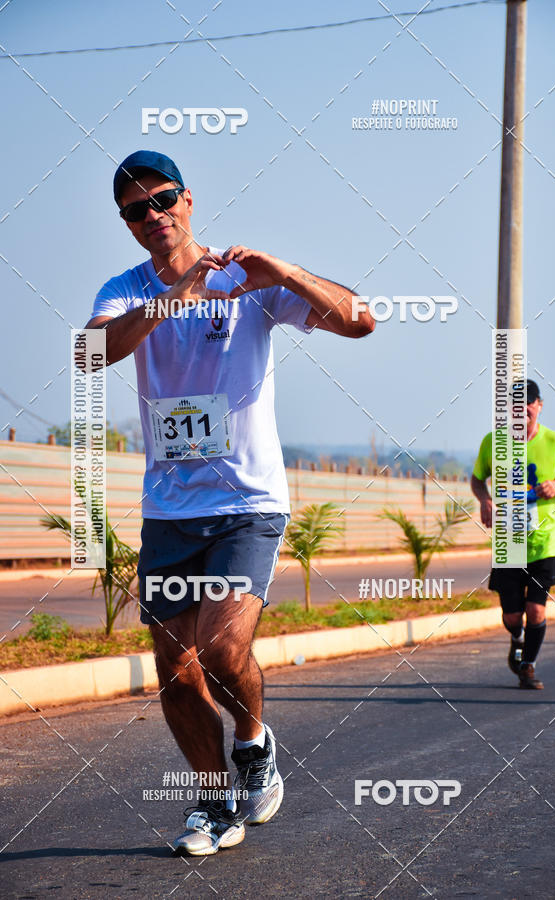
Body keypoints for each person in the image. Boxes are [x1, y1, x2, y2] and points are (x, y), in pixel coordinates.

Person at [85, 150, 375, 855]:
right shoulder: (125, 290)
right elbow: (90, 355)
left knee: (220, 649)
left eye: (163, 200)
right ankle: (214, 805)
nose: (152, 216)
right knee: (175, 671)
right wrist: (167, 299)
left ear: (189, 199)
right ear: (127, 225)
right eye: (135, 210)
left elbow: (360, 319)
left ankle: (254, 739)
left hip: (248, 502)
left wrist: (284, 275)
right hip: (170, 508)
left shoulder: (245, 281)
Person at [471, 379, 555, 690]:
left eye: (529, 404)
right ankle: (517, 639)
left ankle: (528, 666)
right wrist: (485, 500)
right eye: (516, 406)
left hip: (545, 540)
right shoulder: (494, 442)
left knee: (535, 609)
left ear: (539, 406)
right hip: (509, 541)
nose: (523, 411)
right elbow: (478, 479)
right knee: (512, 616)